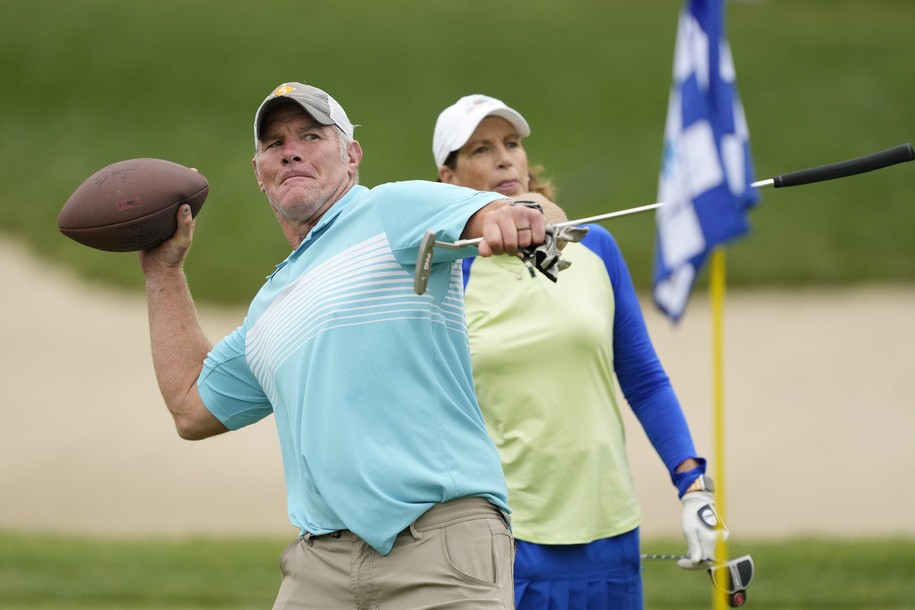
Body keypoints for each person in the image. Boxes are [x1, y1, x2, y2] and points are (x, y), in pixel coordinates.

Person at [138, 82, 570, 609]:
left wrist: (519, 216)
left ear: (351, 157)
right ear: (260, 173)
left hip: (438, 545)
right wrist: (163, 272)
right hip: (319, 565)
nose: (291, 149)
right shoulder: (269, 308)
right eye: (274, 144)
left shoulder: (391, 211)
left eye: (311, 135)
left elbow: (522, 211)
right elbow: (189, 405)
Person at [432, 94, 727, 609]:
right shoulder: (448, 275)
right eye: (481, 149)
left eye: (512, 144)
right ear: (449, 179)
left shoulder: (594, 248)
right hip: (503, 538)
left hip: (610, 532)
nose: (504, 158)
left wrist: (693, 486)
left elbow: (643, 378)